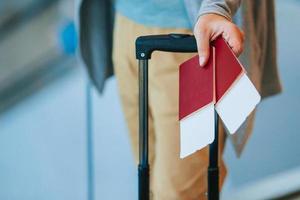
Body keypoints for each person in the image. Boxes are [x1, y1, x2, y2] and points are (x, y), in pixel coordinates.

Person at [76, 0, 282, 199]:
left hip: (191, 36)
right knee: (148, 184)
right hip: (125, 24)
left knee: (179, 193)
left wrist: (218, 6)